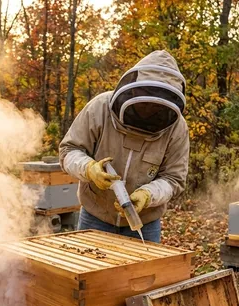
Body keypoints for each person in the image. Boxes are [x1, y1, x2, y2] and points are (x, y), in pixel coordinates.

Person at [59, 50, 190, 243]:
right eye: (145, 105)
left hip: (145, 222)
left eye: (157, 109)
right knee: (91, 273)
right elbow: (68, 151)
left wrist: (148, 195)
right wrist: (89, 169)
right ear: (134, 90)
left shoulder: (177, 129)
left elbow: (174, 179)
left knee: (143, 273)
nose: (149, 113)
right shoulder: (99, 108)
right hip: (96, 216)